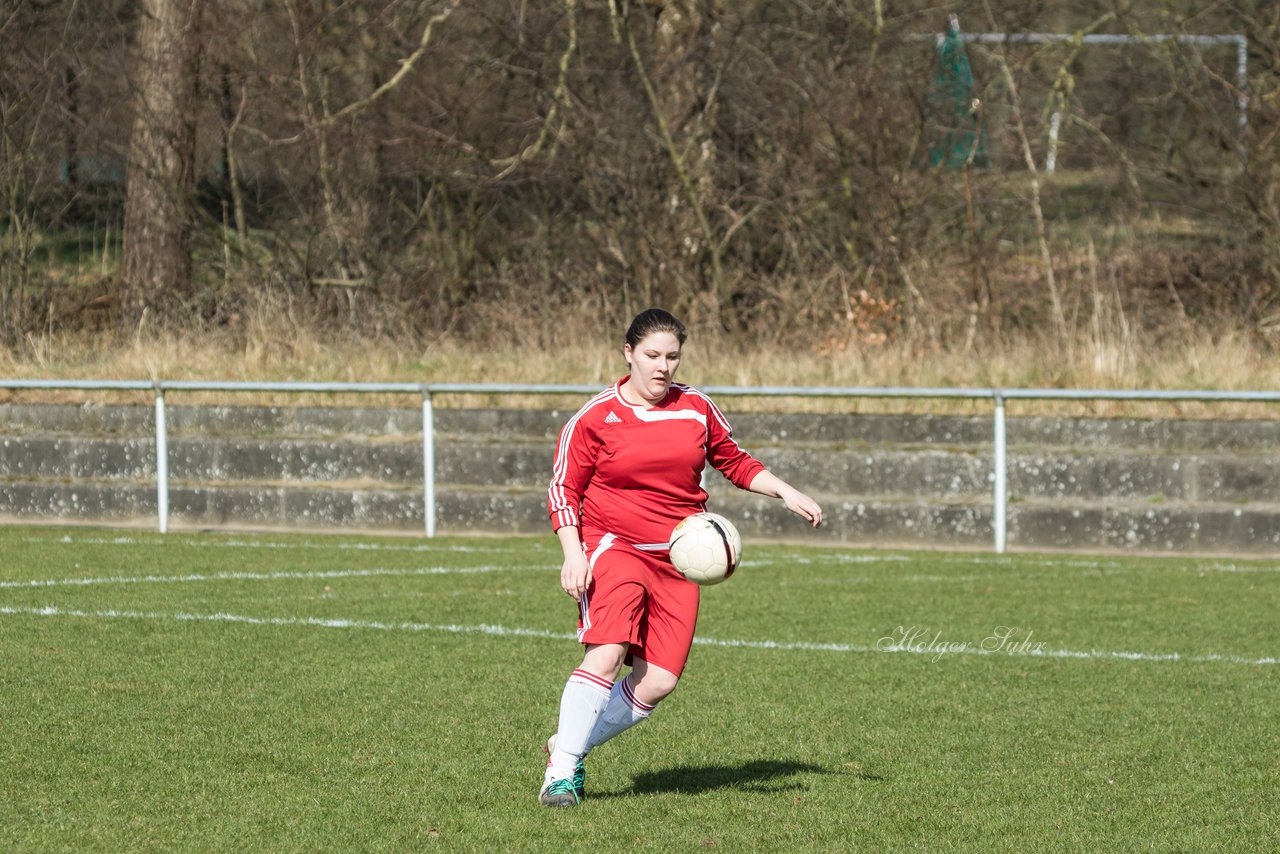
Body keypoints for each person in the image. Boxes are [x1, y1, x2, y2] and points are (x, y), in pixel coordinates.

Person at [540, 308, 824, 807]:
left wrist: (785, 491)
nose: (662, 366)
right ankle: (561, 775)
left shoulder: (695, 406)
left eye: (672, 357)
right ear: (628, 353)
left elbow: (733, 460)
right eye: (651, 355)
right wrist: (572, 553)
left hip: (678, 556)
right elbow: (564, 487)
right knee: (606, 655)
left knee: (658, 682)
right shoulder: (594, 417)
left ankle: (564, 744)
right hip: (613, 546)